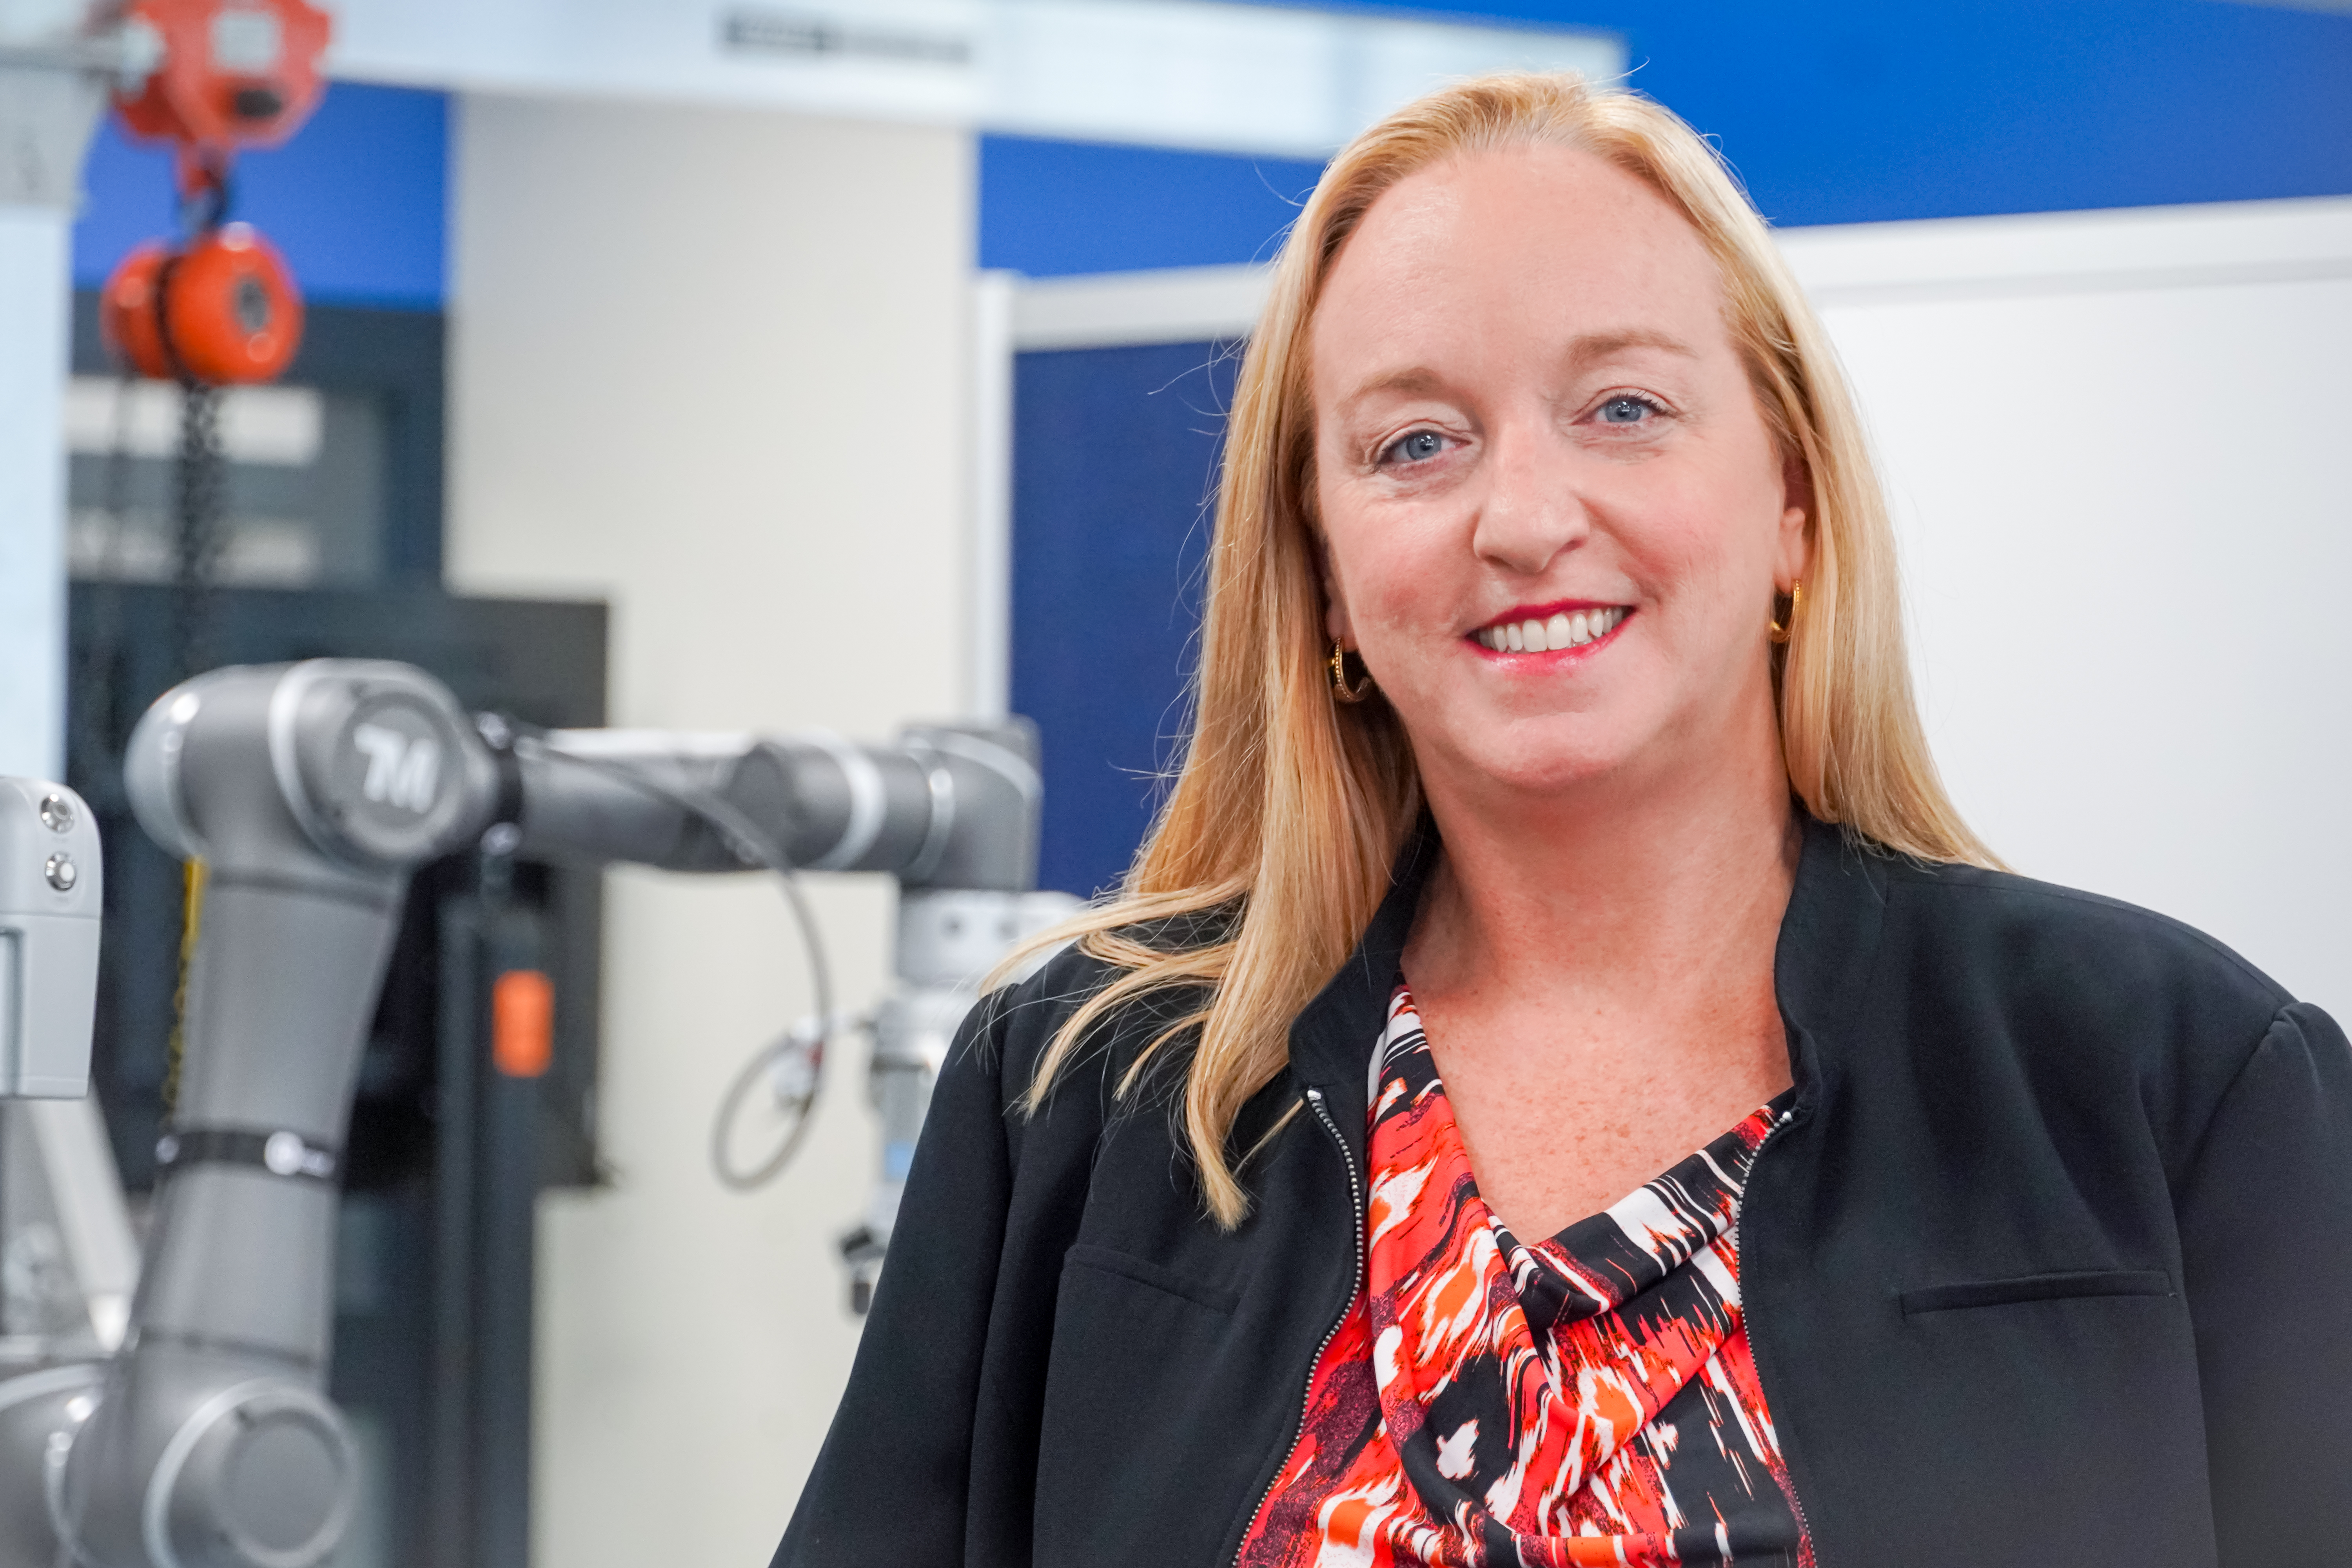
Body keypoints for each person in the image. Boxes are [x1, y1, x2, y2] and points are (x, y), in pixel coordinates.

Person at [771, 73, 2352, 1568]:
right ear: (1324, 564)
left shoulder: (2175, 1086)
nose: (1524, 518)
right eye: (1415, 444)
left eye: (1624, 408)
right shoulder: (1084, 1090)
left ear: (1792, 499)